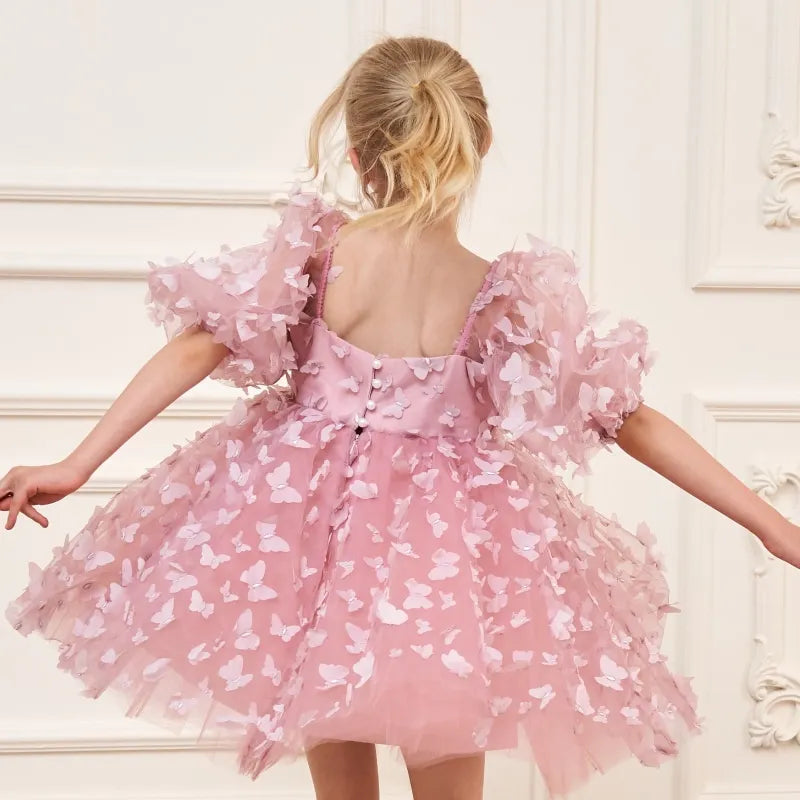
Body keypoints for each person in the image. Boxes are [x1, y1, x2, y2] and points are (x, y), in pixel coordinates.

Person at [1, 35, 799, 800]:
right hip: (441, 555)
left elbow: (195, 348)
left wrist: (76, 464)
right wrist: (771, 525)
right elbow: (629, 419)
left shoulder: (317, 256)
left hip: (304, 537)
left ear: (356, 154)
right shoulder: (499, 296)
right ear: (479, 143)